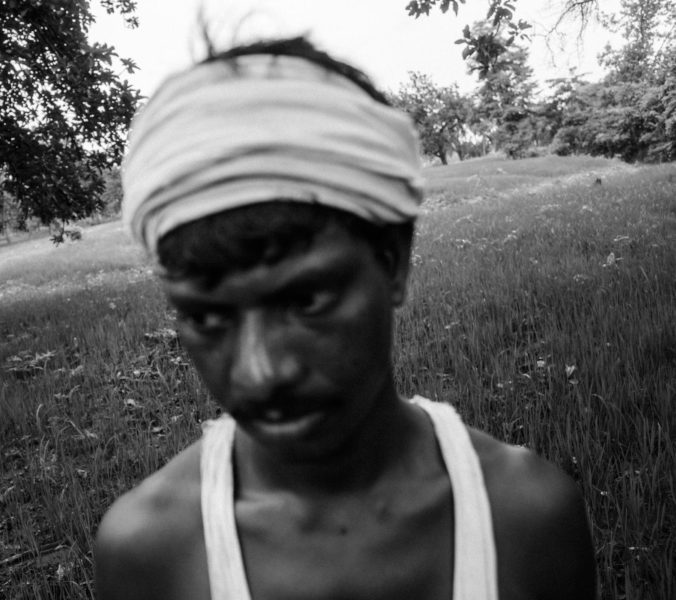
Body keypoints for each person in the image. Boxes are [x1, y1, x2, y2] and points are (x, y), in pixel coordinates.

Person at [94, 37, 596, 600]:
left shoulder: (526, 518)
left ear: (394, 262)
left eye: (308, 300)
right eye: (205, 316)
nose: (261, 373)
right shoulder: (151, 549)